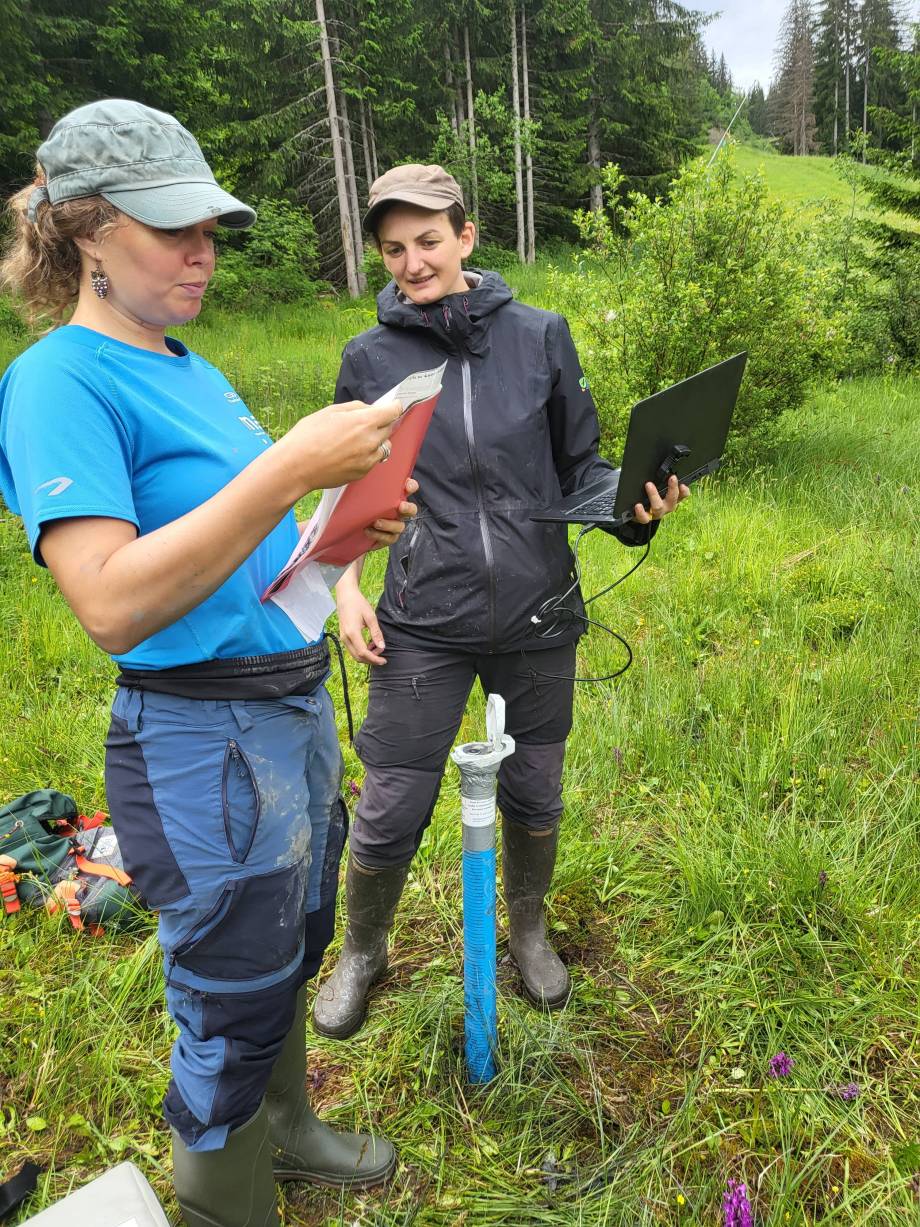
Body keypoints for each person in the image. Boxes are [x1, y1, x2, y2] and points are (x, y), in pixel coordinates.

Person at [0, 100, 418, 1227]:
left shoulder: (190, 369)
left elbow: (243, 540)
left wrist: (336, 552)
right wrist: (287, 469)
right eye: (172, 228)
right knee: (227, 987)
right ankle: (223, 1196)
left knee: (290, 942)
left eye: (211, 229)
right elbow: (111, 601)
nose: (202, 253)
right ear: (87, 231)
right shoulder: (58, 382)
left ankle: (284, 1130)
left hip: (284, 714)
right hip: (195, 737)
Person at [312, 164, 689, 1040]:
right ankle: (363, 952)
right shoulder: (370, 360)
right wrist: (346, 589)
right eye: (395, 248)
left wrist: (636, 508)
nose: (413, 263)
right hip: (422, 619)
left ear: (467, 236)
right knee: (393, 799)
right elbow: (343, 494)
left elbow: (582, 468)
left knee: (534, 787)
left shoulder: (540, 336)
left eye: (429, 242)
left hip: (538, 612)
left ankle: (526, 930)